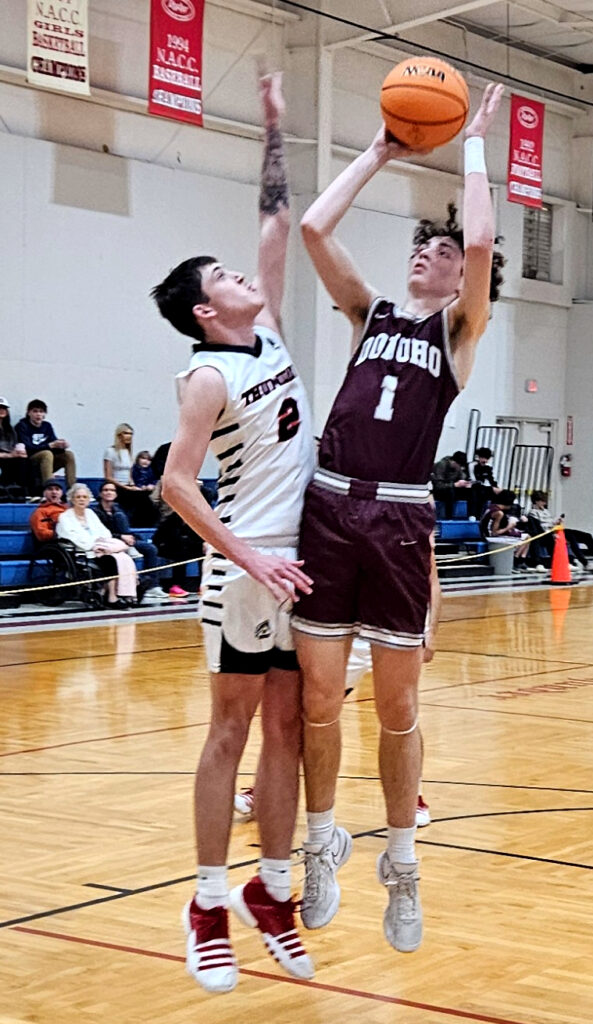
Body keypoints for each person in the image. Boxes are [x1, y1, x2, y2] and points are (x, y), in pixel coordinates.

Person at [291, 82, 505, 954]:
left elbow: (487, 236)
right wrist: (379, 150)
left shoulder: (456, 336)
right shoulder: (368, 311)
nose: (431, 253)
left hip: (399, 523)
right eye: (425, 246)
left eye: (443, 250)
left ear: (460, 278)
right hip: (329, 509)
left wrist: (475, 145)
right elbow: (313, 229)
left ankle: (403, 862)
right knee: (315, 700)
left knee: (397, 707)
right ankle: (319, 846)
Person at [152, 71, 315, 994]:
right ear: (208, 312)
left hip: (300, 570)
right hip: (247, 572)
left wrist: (271, 130)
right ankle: (207, 904)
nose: (242, 274)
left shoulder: (275, 337)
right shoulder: (204, 377)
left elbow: (274, 225)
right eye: (223, 278)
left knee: (288, 733)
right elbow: (175, 484)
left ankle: (272, 892)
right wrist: (249, 554)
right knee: (230, 736)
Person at [235, 548, 441, 828]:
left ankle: (412, 798)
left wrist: (431, 630)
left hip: (390, 613)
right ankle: (266, 788)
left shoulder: (412, 506)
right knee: (305, 711)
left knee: (402, 711)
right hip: (338, 615)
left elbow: (429, 571)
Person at [56, 483, 137, 609]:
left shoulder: (90, 513)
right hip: (82, 550)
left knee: (123, 558)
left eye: (84, 497)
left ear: (89, 500)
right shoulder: (65, 516)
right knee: (110, 561)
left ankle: (119, 593)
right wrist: (92, 544)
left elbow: (105, 532)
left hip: (100, 547)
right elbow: (71, 536)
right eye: (78, 497)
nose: (82, 500)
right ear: (72, 499)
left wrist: (100, 542)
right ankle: (112, 597)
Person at [94, 480, 168, 600]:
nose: (109, 492)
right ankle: (131, 550)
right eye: (106, 490)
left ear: (116, 494)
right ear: (101, 494)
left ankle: (152, 585)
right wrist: (121, 537)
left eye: (112, 490)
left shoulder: (118, 509)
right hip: (109, 542)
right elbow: (100, 533)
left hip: (125, 539)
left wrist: (130, 537)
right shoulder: (96, 512)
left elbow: (125, 528)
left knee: (150, 548)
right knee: (119, 517)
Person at [16, 399, 76, 490]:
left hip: (48, 462)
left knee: (68, 455)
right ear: (29, 413)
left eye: (41, 411)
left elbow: (53, 444)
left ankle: (72, 490)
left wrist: (61, 445)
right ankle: (48, 489)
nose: (38, 414)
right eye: (35, 411)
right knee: (46, 454)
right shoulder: (22, 426)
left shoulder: (47, 426)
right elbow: (28, 448)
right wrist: (49, 446)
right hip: (30, 461)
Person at [103, 424, 157, 526]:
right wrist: (126, 487)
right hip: (117, 486)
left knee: (147, 499)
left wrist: (133, 485)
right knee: (141, 499)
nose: (129, 436)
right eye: (126, 433)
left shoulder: (127, 452)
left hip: (128, 485)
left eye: (131, 434)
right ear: (119, 435)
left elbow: (129, 474)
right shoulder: (110, 451)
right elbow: (108, 476)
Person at [527, 490, 589, 571]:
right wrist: (552, 530)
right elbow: (539, 526)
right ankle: (543, 563)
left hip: (552, 530)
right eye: (542, 501)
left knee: (570, 534)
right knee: (552, 538)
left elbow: (550, 522)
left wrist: (556, 522)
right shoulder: (533, 513)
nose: (544, 503)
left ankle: (584, 562)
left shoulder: (546, 511)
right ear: (536, 501)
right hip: (543, 533)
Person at [480, 488, 532, 572]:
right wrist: (509, 527)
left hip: (493, 533)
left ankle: (521, 560)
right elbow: (494, 533)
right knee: (526, 538)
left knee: (528, 537)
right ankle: (515, 561)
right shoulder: (499, 513)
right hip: (491, 536)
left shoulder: (492, 506)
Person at [0, 397, 28, 499]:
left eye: (4, 408)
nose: (1, 410)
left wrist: (20, 452)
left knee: (23, 460)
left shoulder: (10, 429)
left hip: (9, 457)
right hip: (3, 457)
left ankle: (21, 492)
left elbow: (14, 445)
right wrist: (9, 455)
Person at [432, 450, 472, 517]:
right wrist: (454, 485)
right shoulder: (441, 465)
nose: (459, 468)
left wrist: (465, 483)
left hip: (453, 489)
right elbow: (438, 485)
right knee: (450, 491)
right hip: (440, 491)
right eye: (459, 465)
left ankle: (472, 515)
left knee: (472, 491)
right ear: (453, 462)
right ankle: (449, 517)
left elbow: (462, 476)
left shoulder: (458, 468)